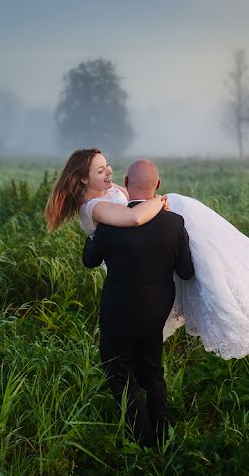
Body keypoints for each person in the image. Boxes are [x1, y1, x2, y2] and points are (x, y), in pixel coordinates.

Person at [44, 148, 249, 360]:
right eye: (101, 170)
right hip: (132, 258)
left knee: (204, 239)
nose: (109, 171)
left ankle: (241, 276)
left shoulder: (106, 190)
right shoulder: (93, 207)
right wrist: (160, 202)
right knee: (180, 211)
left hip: (146, 244)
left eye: (107, 165)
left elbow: (134, 192)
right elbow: (134, 216)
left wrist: (150, 196)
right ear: (84, 180)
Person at [80, 158, 194, 446]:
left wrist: (93, 233)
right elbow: (186, 272)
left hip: (118, 311)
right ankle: (164, 436)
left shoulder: (109, 222)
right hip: (155, 312)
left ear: (126, 185)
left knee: (119, 374)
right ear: (158, 185)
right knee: (152, 371)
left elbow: (89, 261)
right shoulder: (174, 222)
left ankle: (142, 443)